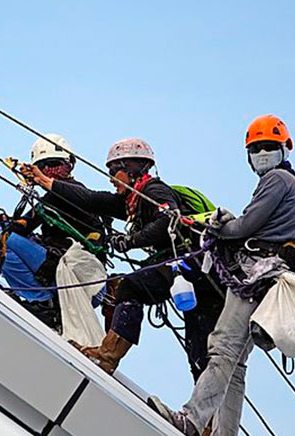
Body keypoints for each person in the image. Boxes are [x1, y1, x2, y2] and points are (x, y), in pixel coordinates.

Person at [148, 114, 295, 436]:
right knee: (235, 365)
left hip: (256, 276)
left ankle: (191, 420)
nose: (262, 152)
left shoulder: (277, 180)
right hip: (270, 277)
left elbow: (245, 228)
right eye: (257, 148)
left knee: (222, 347)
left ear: (284, 149)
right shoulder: (292, 185)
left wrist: (218, 225)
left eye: (268, 146)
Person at [25, 138, 225, 379]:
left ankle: (107, 356)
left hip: (193, 265)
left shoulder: (154, 191)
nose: (110, 178)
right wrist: (46, 181)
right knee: (198, 347)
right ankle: (207, 415)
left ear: (131, 169)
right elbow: (91, 199)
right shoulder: (132, 201)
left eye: (113, 171)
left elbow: (166, 221)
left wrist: (131, 241)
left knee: (130, 286)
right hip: (197, 275)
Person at [0, 133, 107, 332]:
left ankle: (42, 302)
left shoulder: (67, 192)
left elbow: (25, 224)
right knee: (4, 239)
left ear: (69, 166)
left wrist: (10, 225)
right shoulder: (60, 196)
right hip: (85, 281)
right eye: (44, 166)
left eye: (55, 164)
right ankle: (47, 303)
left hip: (80, 277)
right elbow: (28, 222)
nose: (50, 171)